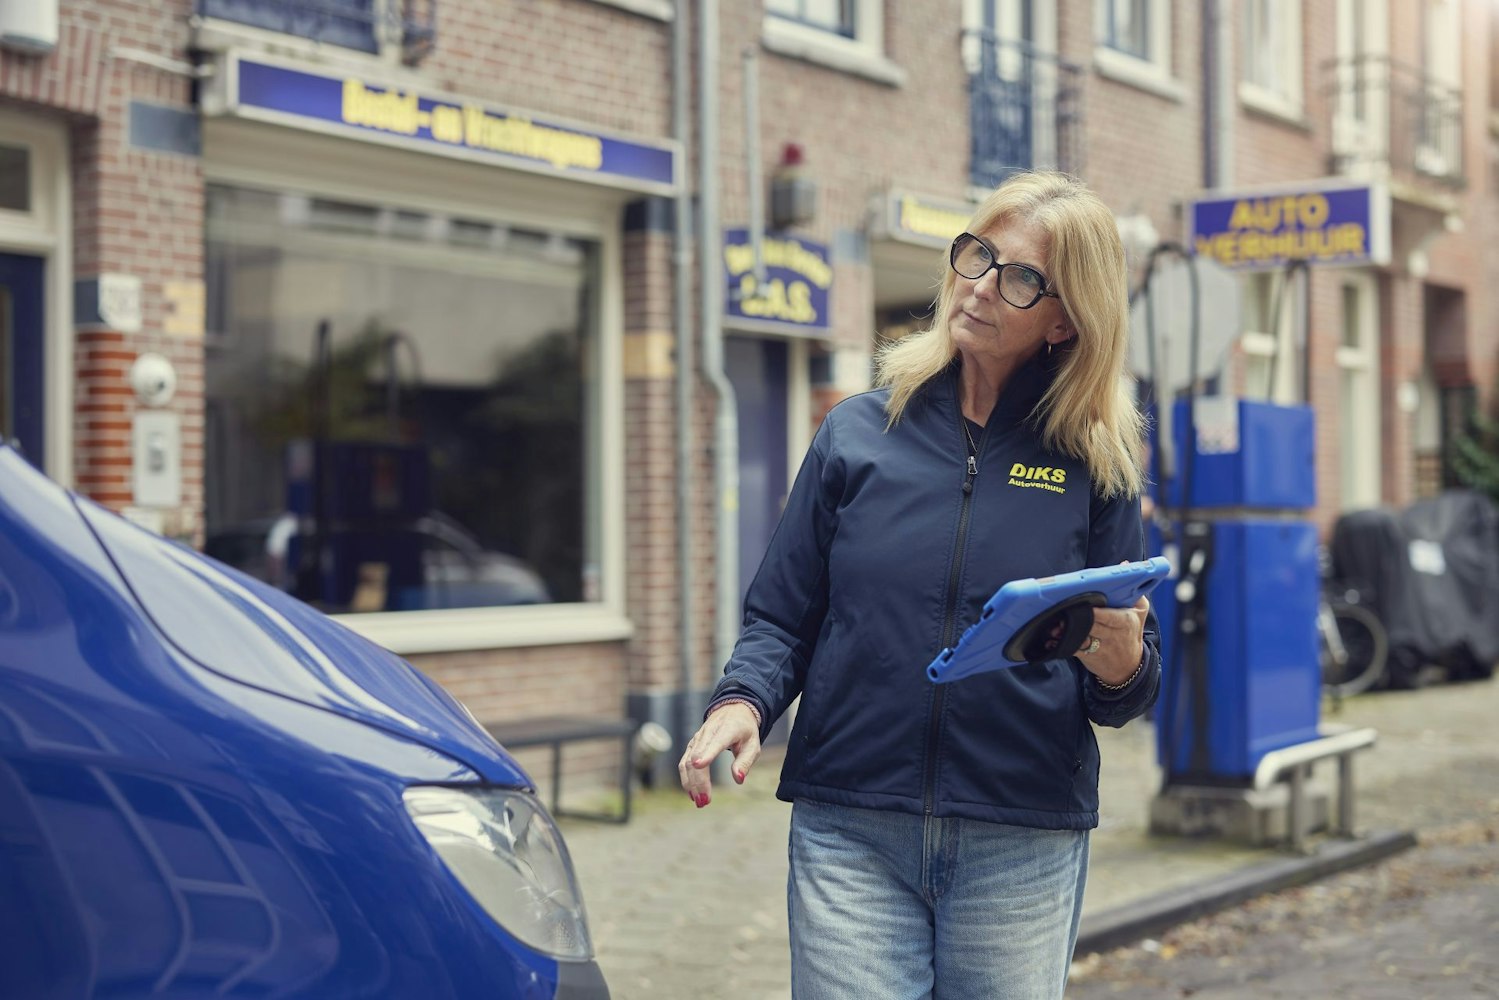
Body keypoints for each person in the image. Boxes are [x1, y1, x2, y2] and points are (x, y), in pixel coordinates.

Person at [678, 171, 1160, 1000]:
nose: (976, 286)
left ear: (1064, 318)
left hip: (1019, 837)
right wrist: (742, 702)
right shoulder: (858, 431)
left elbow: (1120, 695)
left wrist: (1118, 659)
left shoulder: (1094, 462)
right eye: (976, 255)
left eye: (1017, 278)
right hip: (850, 825)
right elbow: (782, 616)